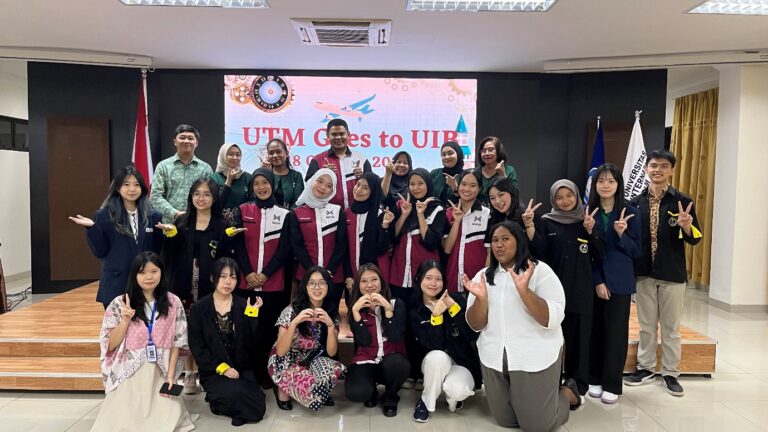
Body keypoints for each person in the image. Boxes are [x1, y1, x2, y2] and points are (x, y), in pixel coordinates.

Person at [465, 221, 580, 431]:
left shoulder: (540, 271)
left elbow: (552, 319)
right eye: (495, 240)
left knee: (536, 425)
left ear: (519, 241)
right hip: (494, 356)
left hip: (534, 356)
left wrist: (524, 292)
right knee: (506, 420)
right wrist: (481, 299)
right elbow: (475, 325)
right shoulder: (484, 276)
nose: (499, 245)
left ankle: (568, 393)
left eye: (505, 239)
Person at [624, 149, 702, 397]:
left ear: (672, 170)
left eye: (664, 166)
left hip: (672, 274)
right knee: (647, 326)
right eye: (654, 165)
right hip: (644, 273)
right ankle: (645, 368)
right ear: (646, 169)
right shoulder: (635, 202)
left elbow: (695, 239)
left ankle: (670, 373)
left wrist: (687, 227)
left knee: (670, 328)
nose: (658, 170)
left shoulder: (683, 201)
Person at [91, 251, 195, 432]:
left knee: (167, 417)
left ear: (161, 272)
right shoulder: (120, 303)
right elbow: (110, 344)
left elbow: (177, 342)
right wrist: (125, 320)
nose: (149, 277)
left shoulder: (173, 302)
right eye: (142, 272)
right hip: (129, 369)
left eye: (154, 271)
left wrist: (171, 377)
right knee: (122, 421)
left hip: (160, 370)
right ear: (134, 275)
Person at [159, 177, 243, 393]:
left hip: (210, 286)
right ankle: (189, 372)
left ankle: (208, 371)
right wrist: (171, 236)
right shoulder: (181, 222)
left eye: (207, 194)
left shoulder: (222, 225)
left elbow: (226, 257)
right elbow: (170, 255)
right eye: (197, 193)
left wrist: (228, 239)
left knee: (210, 328)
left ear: (215, 198)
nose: (201, 198)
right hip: (183, 285)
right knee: (186, 329)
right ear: (191, 197)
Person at [528, 180, 606, 401]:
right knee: (550, 340)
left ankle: (577, 387)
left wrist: (591, 231)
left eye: (569, 196)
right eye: (559, 197)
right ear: (553, 199)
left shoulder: (587, 220)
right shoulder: (546, 222)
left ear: (576, 196)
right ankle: (550, 384)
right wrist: (530, 228)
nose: (565, 201)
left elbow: (600, 254)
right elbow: (538, 253)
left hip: (581, 291)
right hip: (552, 293)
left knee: (580, 342)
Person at [69, 166, 163, 308]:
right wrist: (92, 228)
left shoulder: (153, 215)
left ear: (142, 188)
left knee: (146, 323)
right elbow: (100, 251)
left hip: (147, 286)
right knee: (118, 323)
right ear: (118, 188)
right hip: (116, 286)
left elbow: (157, 251)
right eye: (126, 184)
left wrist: (170, 234)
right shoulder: (104, 215)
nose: (132, 189)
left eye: (136, 184)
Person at [187, 258, 266, 427]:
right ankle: (224, 403)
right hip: (214, 370)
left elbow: (253, 345)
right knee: (239, 394)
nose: (228, 282)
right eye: (223, 276)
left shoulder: (243, 304)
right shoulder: (199, 308)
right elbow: (197, 348)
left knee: (258, 405)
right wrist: (223, 368)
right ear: (212, 278)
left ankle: (225, 405)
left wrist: (252, 316)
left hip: (241, 368)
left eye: (233, 277)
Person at [586, 164, 641, 404]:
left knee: (616, 334)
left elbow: (636, 251)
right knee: (595, 331)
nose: (605, 185)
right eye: (601, 181)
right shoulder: (588, 213)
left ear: (618, 184)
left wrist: (621, 234)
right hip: (594, 281)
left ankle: (612, 383)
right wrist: (598, 281)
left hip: (620, 282)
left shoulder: (631, 212)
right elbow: (587, 252)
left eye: (611, 181)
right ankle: (594, 378)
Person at [233, 167, 291, 388]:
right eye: (256, 183)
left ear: (272, 185)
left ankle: (266, 372)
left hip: (273, 285)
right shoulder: (243, 210)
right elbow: (238, 246)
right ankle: (248, 372)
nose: (261, 187)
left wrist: (265, 275)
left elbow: (284, 250)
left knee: (268, 330)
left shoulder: (284, 214)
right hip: (246, 284)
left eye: (265, 182)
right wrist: (248, 273)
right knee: (248, 329)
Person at [409, 260, 480, 423]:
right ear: (419, 279)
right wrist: (436, 316)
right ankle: (426, 403)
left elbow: (471, 335)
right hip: (433, 363)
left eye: (438, 279)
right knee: (438, 356)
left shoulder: (456, 299)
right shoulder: (415, 312)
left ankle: (453, 399)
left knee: (457, 389)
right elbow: (436, 346)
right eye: (428, 278)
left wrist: (454, 308)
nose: (433, 283)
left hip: (461, 363)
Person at [268, 266, 346, 411]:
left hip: (310, 358)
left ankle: (308, 387)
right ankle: (281, 386)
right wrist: (294, 323)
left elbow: (332, 352)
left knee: (334, 369)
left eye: (322, 283)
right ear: (305, 286)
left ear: (328, 286)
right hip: (285, 360)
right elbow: (280, 351)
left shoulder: (330, 312)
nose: (317, 287)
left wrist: (330, 326)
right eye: (312, 283)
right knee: (314, 395)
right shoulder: (291, 311)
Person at [345, 264, 409, 417]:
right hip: (366, 359)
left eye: (374, 279)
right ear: (358, 285)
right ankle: (371, 390)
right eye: (364, 281)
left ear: (381, 281)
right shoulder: (355, 308)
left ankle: (390, 397)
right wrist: (356, 313)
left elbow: (395, 337)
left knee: (398, 364)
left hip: (391, 359)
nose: (370, 285)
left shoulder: (396, 304)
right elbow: (364, 341)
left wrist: (388, 309)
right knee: (356, 392)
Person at [289, 169, 348, 315]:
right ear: (311, 182)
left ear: (333, 190)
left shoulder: (338, 211)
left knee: (330, 318)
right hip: (305, 274)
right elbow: (297, 246)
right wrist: (312, 272)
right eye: (320, 181)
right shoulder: (296, 213)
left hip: (334, 276)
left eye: (329, 185)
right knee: (306, 317)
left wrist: (330, 270)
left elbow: (342, 244)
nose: (323, 187)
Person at [389, 168, 445, 299]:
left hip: (426, 275)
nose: (416, 188)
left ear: (428, 184)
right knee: (399, 308)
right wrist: (404, 215)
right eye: (412, 184)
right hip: (399, 273)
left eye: (420, 183)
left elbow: (431, 243)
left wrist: (420, 215)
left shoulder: (437, 208)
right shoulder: (401, 204)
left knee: (424, 310)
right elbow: (391, 237)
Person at [151, 124, 214, 223]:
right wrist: (175, 213)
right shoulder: (163, 166)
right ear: (175, 142)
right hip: (170, 223)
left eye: (190, 138)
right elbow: (155, 196)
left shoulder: (205, 168)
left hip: (198, 223)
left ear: (196, 143)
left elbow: (210, 196)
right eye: (182, 138)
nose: (186, 141)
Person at [305, 118, 371, 209]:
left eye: (342, 134)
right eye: (334, 134)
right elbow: (308, 189)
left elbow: (372, 187)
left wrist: (362, 177)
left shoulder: (361, 159)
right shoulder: (317, 160)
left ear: (348, 135)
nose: (338, 137)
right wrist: (322, 174)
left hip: (356, 213)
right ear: (327, 136)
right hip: (327, 213)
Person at [344, 172, 394, 293]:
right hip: (352, 275)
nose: (358, 190)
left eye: (365, 187)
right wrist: (348, 275)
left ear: (373, 191)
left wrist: (385, 226)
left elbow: (382, 248)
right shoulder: (346, 213)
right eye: (358, 184)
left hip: (376, 276)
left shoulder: (380, 214)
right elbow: (343, 247)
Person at [443, 169, 491, 294]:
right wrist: (456, 221)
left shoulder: (486, 214)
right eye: (463, 184)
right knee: (454, 307)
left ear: (479, 189)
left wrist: (484, 279)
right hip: (452, 280)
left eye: (473, 185)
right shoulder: (448, 213)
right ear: (458, 186)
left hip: (477, 282)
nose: (467, 189)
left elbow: (490, 252)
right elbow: (447, 249)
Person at [211, 143, 252, 225]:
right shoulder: (214, 178)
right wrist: (229, 181)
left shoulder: (248, 177)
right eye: (230, 154)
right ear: (223, 156)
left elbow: (253, 202)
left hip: (243, 225)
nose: (235, 157)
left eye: (238, 155)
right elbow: (216, 205)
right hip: (220, 226)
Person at [263, 138, 305, 209]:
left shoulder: (296, 176)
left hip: (290, 214)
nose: (275, 155)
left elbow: (298, 202)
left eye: (279, 152)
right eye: (271, 153)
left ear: (287, 153)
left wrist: (287, 214)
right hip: (267, 214)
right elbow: (260, 199)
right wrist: (265, 174)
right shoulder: (264, 175)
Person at [475, 136, 518, 205]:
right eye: (483, 150)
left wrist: (502, 175)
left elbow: (514, 195)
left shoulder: (509, 170)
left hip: (500, 209)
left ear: (498, 151)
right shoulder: (475, 172)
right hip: (479, 211)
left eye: (491, 150)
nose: (487, 153)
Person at [430, 140, 463, 205]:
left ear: (458, 154)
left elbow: (469, 200)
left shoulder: (466, 176)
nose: (447, 157)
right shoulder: (434, 174)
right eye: (443, 154)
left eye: (450, 153)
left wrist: (455, 188)